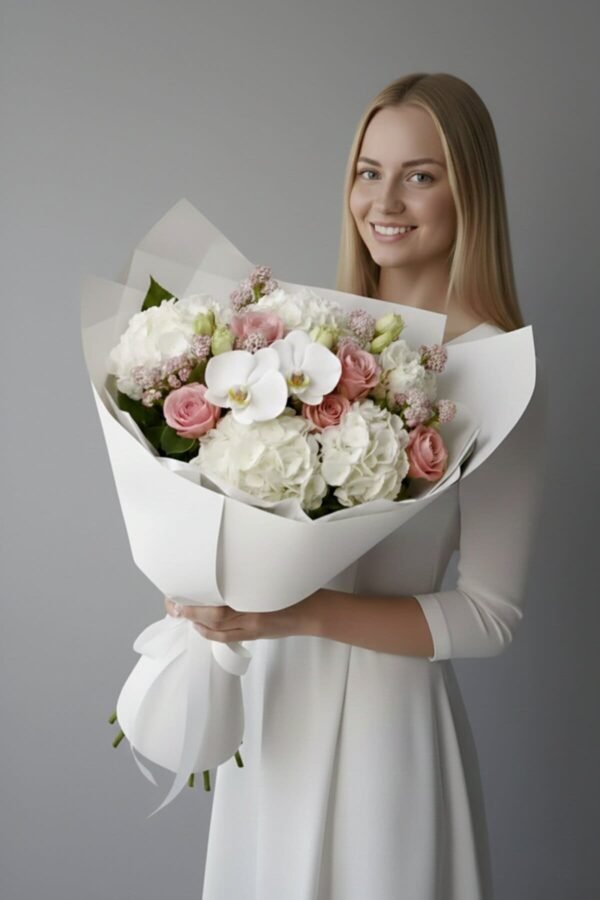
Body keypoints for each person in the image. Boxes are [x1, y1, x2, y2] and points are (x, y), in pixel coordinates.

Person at [166, 72, 547, 899]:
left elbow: (491, 616)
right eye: (369, 171)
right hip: (271, 709)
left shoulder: (499, 372)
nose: (386, 200)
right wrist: (205, 582)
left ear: (468, 189)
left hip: (387, 725)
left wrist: (296, 614)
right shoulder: (303, 338)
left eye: (421, 174)